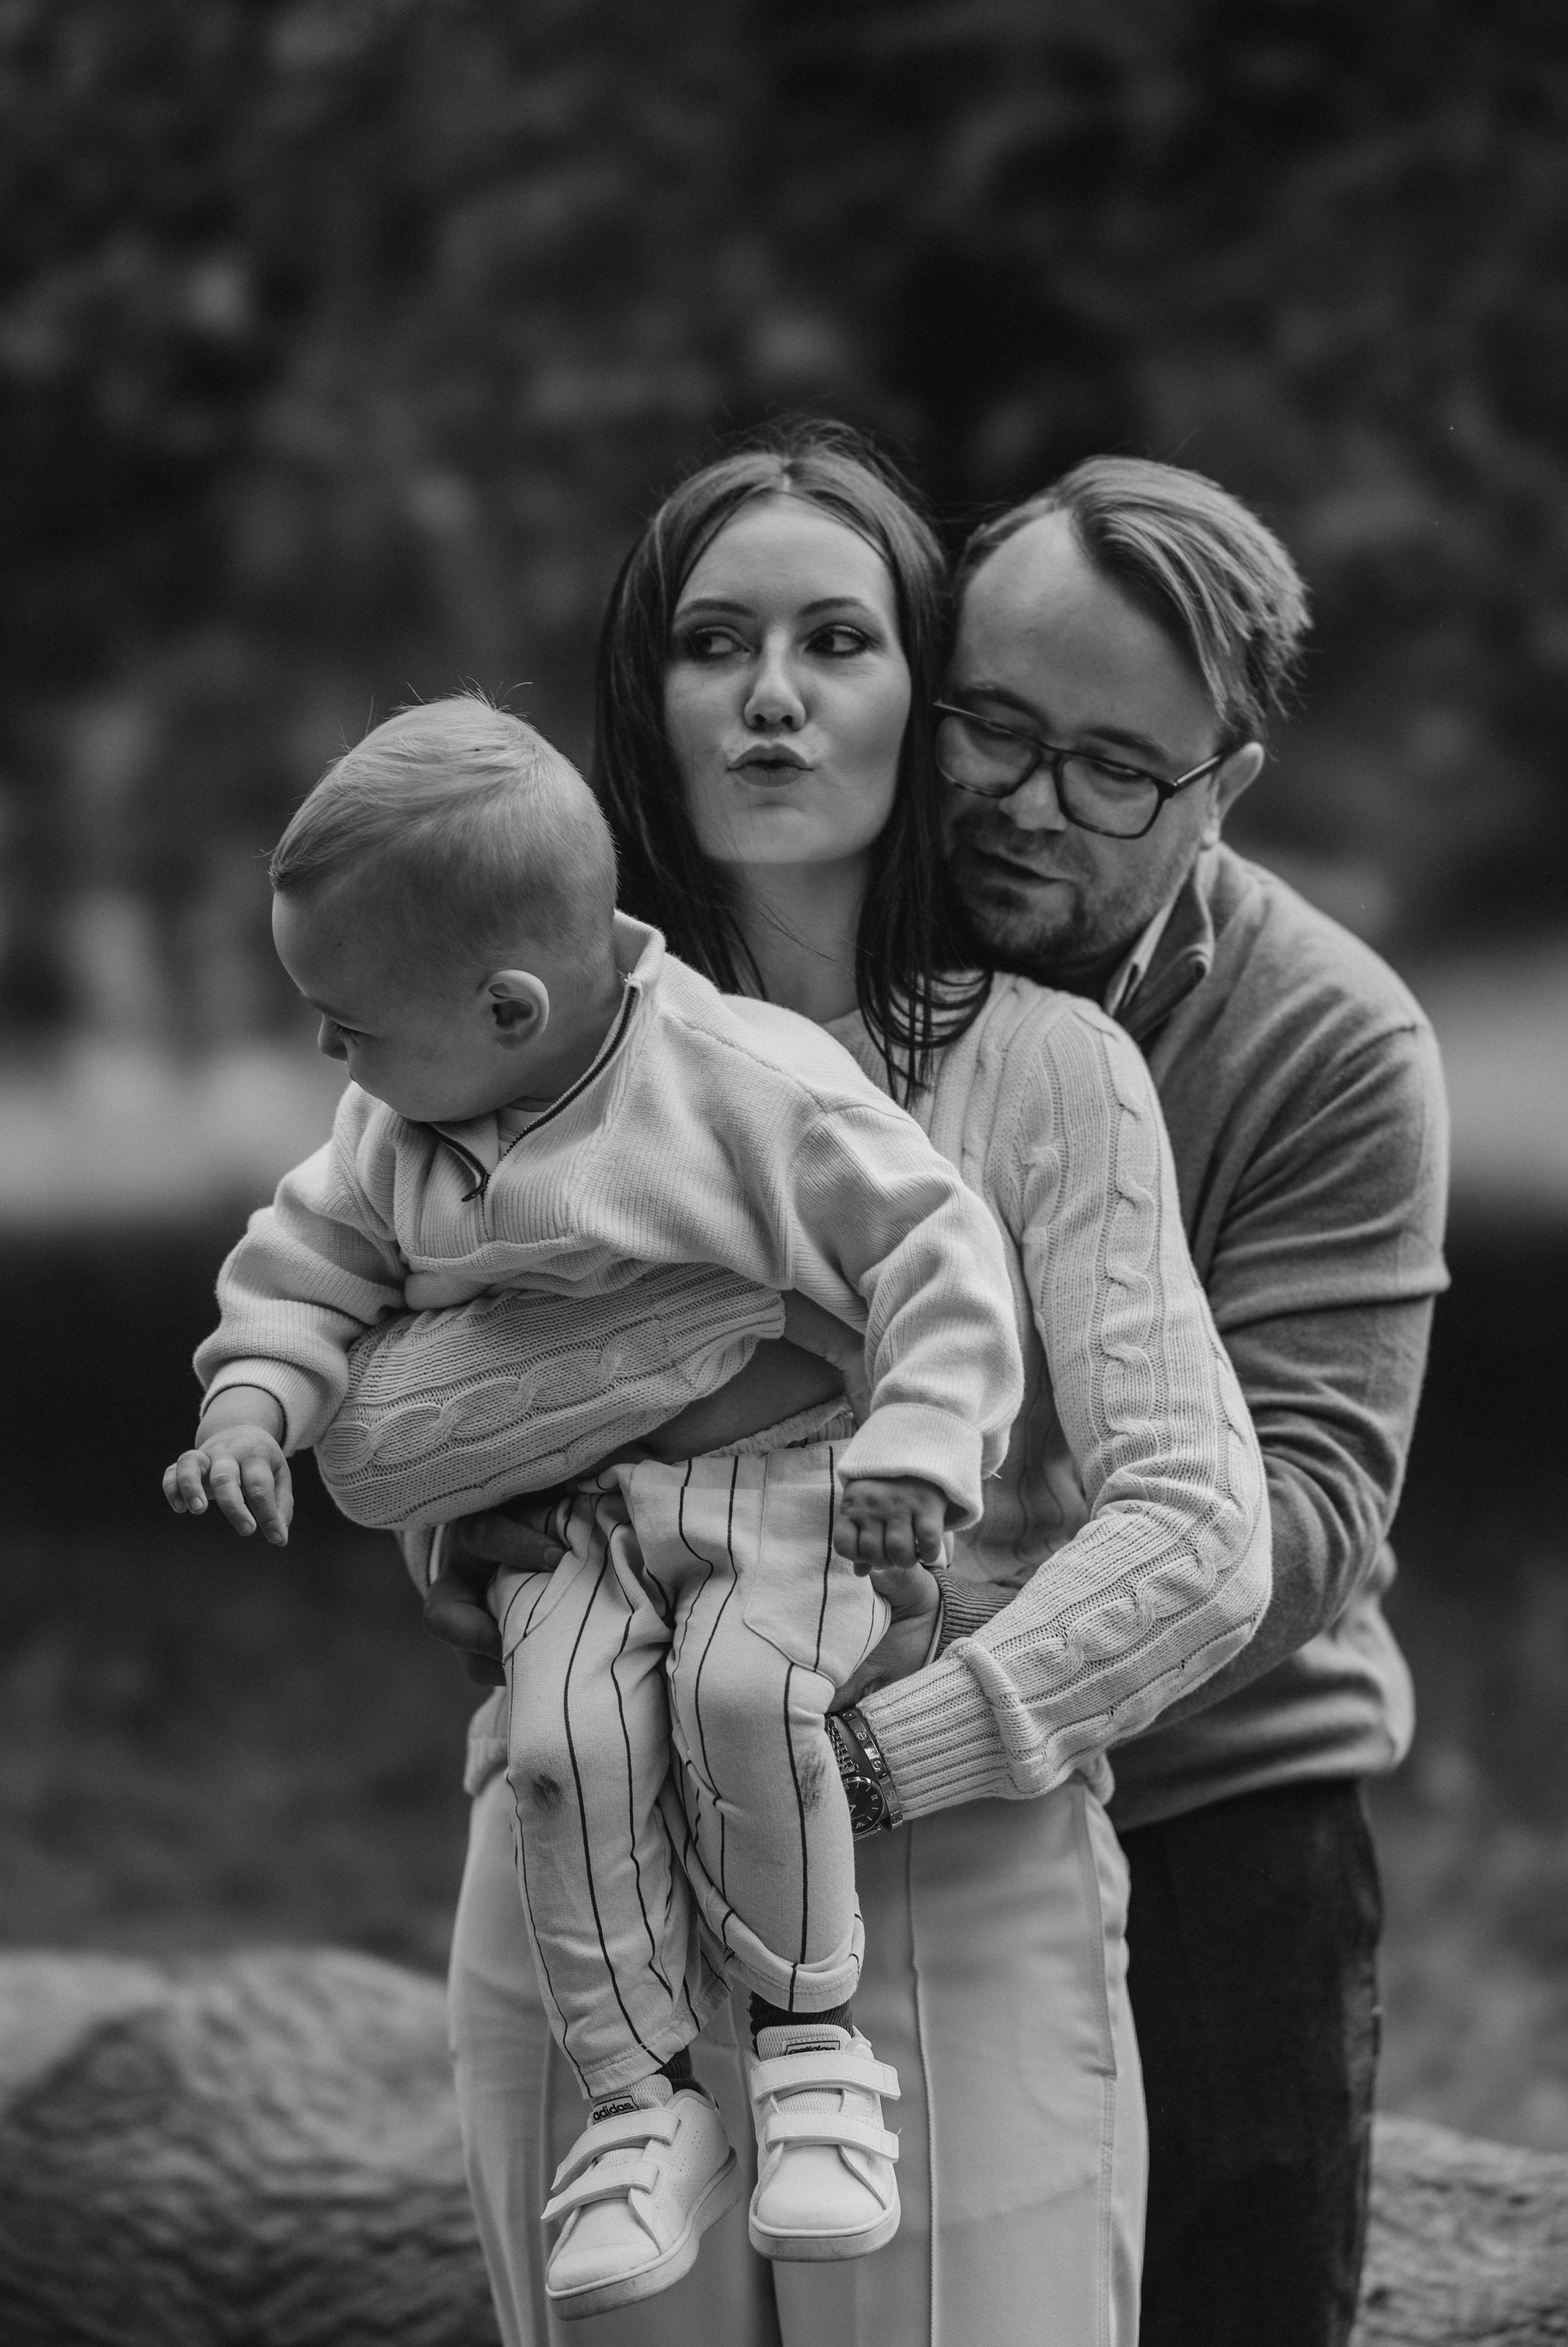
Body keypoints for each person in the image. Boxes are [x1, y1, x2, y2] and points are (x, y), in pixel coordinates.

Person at [316, 425, 1273, 2347]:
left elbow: (1201, 1536)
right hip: (581, 1911)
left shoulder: (1042, 1077)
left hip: (954, 1893)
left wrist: (869, 1756)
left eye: (836, 641)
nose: (768, 695)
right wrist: (742, 1348)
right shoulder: (493, 1066)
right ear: (642, 700)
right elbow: (375, 1435)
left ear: (920, 698)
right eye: (712, 642)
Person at [161, 692, 1027, 2310]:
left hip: (791, 1493)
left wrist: (919, 1442)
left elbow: (937, 1251)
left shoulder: (739, 1085)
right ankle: (645, 2102)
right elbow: (300, 1277)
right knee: (562, 1751)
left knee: (742, 1694)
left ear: (504, 1004)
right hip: (579, 1531)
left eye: (346, 1022)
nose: (328, 1055)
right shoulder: (391, 1133)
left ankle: (806, 2046)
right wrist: (250, 1408)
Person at [937, 457, 1451, 2347]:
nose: (1019, 804)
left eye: (1109, 772)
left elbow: (1309, 1513)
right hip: (805, 1803)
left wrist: (922, 1655)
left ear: (1219, 788)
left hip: (1208, 1801)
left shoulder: (1329, 1037)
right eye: (986, 726)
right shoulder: (805, 941)